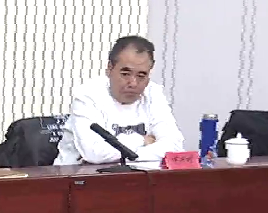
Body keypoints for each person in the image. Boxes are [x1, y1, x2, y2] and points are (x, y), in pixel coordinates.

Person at [55, 35, 185, 164]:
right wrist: (142, 141)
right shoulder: (88, 95)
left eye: (141, 75)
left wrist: (128, 155)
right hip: (76, 175)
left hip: (136, 174)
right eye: (125, 74)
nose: (133, 83)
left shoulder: (153, 93)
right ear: (109, 68)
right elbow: (94, 153)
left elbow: (174, 147)